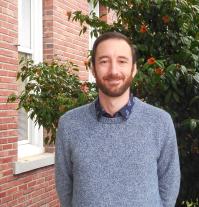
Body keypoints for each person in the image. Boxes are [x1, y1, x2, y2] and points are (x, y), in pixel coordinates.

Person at [55, 32, 180, 207]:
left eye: (122, 61)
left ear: (134, 69)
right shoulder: (69, 125)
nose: (113, 71)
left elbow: (169, 186)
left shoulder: (160, 123)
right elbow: (65, 189)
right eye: (104, 61)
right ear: (93, 68)